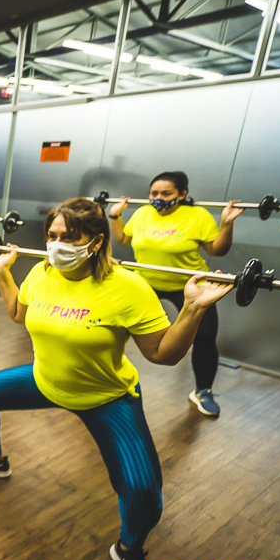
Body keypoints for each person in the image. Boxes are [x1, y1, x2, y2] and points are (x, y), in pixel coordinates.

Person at [0, 198, 231, 560]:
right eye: (52, 235)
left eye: (69, 236)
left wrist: (191, 309)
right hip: (45, 380)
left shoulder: (127, 287)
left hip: (106, 397)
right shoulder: (41, 272)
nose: (57, 244)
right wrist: (2, 274)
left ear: (96, 241)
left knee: (142, 491)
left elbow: (163, 354)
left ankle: (130, 550)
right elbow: (16, 313)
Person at [109, 171, 244, 417]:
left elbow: (218, 249)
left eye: (166, 193)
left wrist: (227, 223)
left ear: (182, 194)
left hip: (190, 286)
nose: (158, 198)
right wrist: (115, 214)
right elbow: (122, 238)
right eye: (154, 193)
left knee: (204, 338)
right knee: (110, 328)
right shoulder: (141, 213)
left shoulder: (197, 215)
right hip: (143, 284)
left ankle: (203, 391)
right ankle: (106, 379)